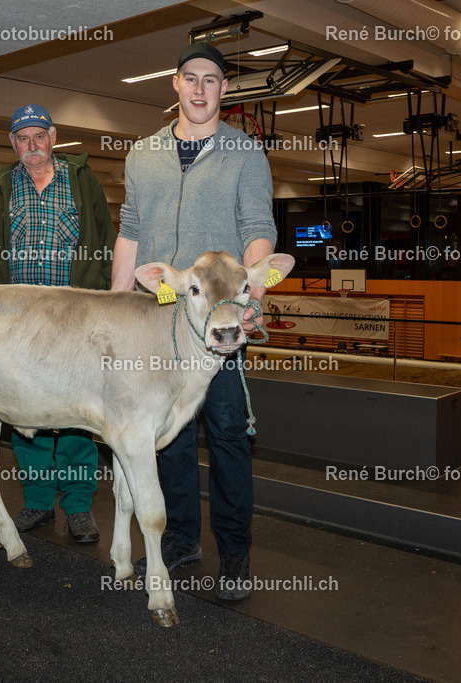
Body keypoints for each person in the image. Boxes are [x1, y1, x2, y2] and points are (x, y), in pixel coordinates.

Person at [113, 42, 278, 600]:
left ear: (224, 90)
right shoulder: (142, 154)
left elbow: (259, 227)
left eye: (212, 79)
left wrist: (252, 297)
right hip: (160, 321)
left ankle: (234, 555)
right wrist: (115, 301)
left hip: (221, 322)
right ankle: (181, 539)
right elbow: (131, 232)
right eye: (191, 78)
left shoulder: (245, 152)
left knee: (229, 434)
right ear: (175, 85)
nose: (201, 87)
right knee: (170, 438)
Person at [0, 103, 116, 545]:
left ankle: (78, 506)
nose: (31, 145)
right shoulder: (0, 187)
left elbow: (106, 239)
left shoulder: (80, 179)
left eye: (39, 136)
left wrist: (109, 302)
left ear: (53, 138)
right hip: (19, 319)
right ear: (13, 144)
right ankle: (36, 500)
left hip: (75, 316)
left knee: (76, 416)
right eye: (22, 138)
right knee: (24, 412)